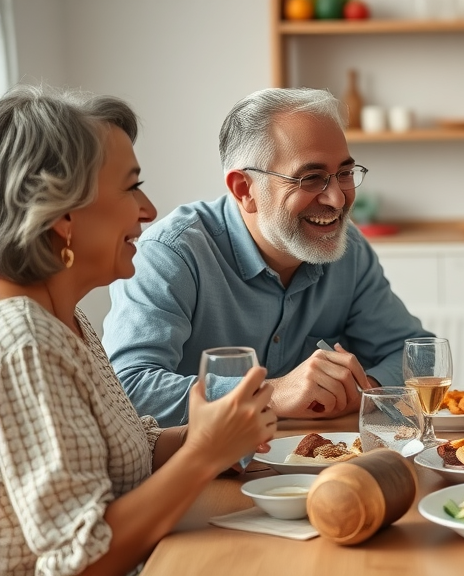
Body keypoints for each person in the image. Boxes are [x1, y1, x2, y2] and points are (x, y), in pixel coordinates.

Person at [0, 86, 275, 576]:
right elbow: (78, 562)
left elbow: (124, 452)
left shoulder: (68, 319)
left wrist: (207, 433)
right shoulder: (23, 342)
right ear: (64, 214)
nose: (148, 210)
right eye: (130, 187)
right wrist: (203, 453)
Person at [103, 87, 432, 427]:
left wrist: (362, 390)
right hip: (206, 472)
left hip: (312, 463)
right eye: (311, 178)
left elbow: (419, 358)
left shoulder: (347, 248)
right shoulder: (170, 253)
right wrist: (272, 393)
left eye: (345, 174)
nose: (337, 199)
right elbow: (127, 388)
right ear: (245, 190)